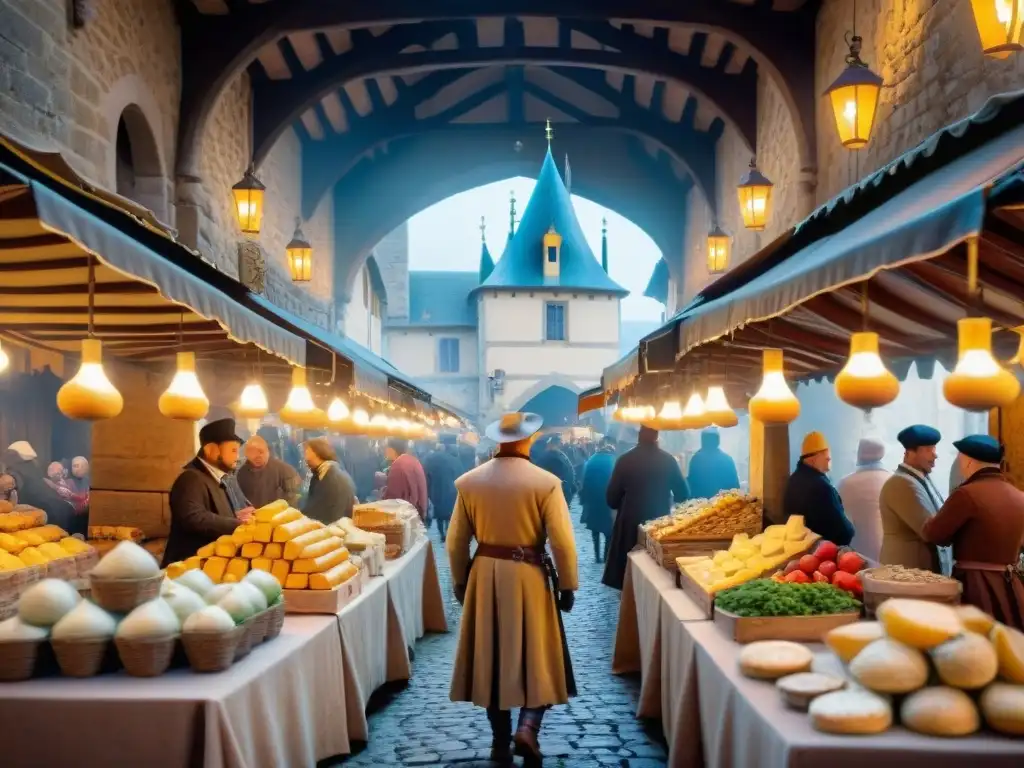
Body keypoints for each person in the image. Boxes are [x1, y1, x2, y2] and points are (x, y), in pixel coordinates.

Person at [447, 412, 577, 766]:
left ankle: (499, 742)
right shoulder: (546, 482)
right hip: (530, 576)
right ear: (530, 439)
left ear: (498, 440)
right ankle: (528, 728)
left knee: (490, 656)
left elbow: (455, 543)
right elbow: (562, 543)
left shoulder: (470, 482)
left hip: (485, 576)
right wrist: (568, 585)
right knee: (539, 655)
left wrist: (460, 581)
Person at [922, 435, 1024, 630]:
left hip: (977, 587)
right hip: (1012, 589)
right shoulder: (1020, 497)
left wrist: (927, 520)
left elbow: (935, 534)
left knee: (975, 648)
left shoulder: (966, 494)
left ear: (967, 462)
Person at [602, 426, 690, 590]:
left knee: (628, 581)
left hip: (629, 526)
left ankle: (629, 611)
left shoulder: (624, 460)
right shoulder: (668, 460)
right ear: (657, 436)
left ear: (638, 437)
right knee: (657, 580)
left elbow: (611, 499)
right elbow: (683, 494)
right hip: (659, 525)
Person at [163, 419, 254, 566]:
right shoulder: (191, 478)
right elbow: (194, 518)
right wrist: (237, 523)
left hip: (208, 567)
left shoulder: (215, 478)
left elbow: (212, 514)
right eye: (233, 450)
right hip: (187, 568)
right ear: (212, 450)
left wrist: (236, 516)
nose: (237, 457)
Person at [879, 425, 947, 572]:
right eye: (929, 450)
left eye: (934, 449)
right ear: (910, 453)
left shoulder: (920, 478)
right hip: (906, 571)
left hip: (916, 571)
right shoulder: (901, 483)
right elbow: (929, 530)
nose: (935, 455)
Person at [782, 432, 854, 546]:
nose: (829, 458)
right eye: (826, 457)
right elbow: (843, 531)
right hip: (821, 552)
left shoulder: (793, 479)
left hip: (799, 548)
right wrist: (850, 528)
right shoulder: (821, 487)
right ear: (812, 459)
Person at [2, 441, 74, 531]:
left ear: (14, 456)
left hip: (49, 514)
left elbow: (12, 480)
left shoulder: (16, 470)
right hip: (63, 509)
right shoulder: (33, 466)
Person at [837, 438, 889, 562]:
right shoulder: (893, 480)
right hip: (889, 554)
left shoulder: (844, 484)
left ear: (859, 454)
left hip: (856, 556)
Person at [236, 435, 302, 509]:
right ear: (246, 454)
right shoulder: (242, 473)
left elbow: (293, 499)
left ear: (268, 451)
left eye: (261, 452)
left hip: (280, 516)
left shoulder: (284, 470)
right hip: (253, 517)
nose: (258, 456)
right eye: (252, 452)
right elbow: (240, 500)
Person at [302, 438, 356, 524]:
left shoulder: (330, 478)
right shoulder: (330, 471)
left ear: (316, 452)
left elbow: (319, 511)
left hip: (332, 529)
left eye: (306, 452)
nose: (305, 457)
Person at [579, 438, 617, 563]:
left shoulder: (590, 460)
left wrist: (583, 501)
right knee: (608, 531)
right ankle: (606, 557)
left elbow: (583, 482)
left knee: (595, 530)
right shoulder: (613, 460)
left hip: (592, 501)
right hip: (607, 500)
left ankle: (597, 556)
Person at [424, 437, 463, 540]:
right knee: (450, 512)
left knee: (439, 514)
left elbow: (426, 473)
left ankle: (442, 534)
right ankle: (448, 531)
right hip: (451, 489)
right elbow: (460, 474)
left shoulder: (430, 458)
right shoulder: (454, 460)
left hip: (436, 490)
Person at [687, 428, 741, 499]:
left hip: (700, 507)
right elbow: (735, 487)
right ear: (718, 441)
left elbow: (690, 485)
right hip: (723, 506)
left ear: (703, 441)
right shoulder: (727, 459)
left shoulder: (696, 459)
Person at [383, 437, 429, 520]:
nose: (384, 451)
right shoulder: (413, 460)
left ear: (391, 449)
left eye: (385, 447)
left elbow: (393, 498)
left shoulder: (398, 465)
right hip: (417, 513)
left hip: (405, 517)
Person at [535, 435, 576, 504]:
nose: (560, 444)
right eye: (558, 443)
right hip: (557, 493)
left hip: (564, 491)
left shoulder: (558, 454)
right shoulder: (548, 457)